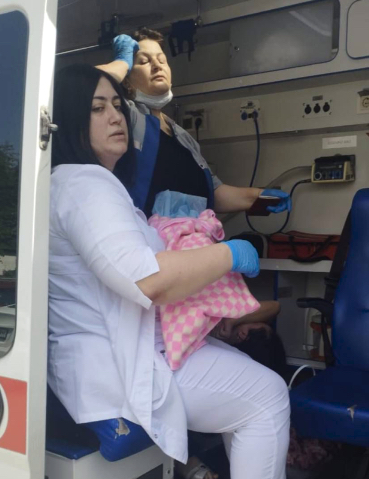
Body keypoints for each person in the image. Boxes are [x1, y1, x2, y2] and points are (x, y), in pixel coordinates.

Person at [48, 64, 291, 479]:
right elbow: (149, 280)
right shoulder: (84, 185)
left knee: (252, 380)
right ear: (70, 119)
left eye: (117, 106)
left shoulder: (88, 184)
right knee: (267, 398)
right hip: (117, 365)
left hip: (133, 348)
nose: (115, 117)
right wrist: (230, 254)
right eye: (97, 108)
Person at [96, 28, 292, 217]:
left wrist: (259, 196)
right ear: (127, 81)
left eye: (162, 60)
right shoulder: (124, 116)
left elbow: (214, 193)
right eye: (144, 61)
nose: (157, 66)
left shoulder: (182, 136)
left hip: (193, 235)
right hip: (146, 237)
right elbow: (86, 84)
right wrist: (122, 62)